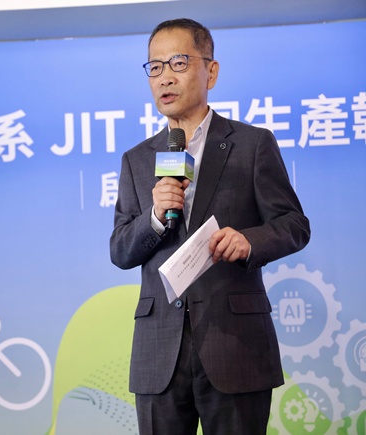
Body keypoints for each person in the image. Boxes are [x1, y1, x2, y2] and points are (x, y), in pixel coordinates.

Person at [109, 18, 310, 434]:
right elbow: (120, 250)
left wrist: (249, 241)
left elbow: (294, 224)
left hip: (235, 345)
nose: (165, 77)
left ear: (211, 72)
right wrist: (153, 217)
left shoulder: (252, 144)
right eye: (155, 67)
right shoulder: (137, 159)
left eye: (178, 63)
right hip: (159, 353)